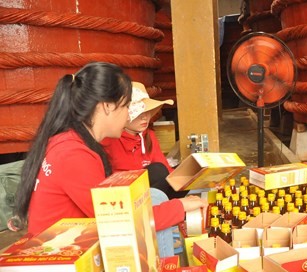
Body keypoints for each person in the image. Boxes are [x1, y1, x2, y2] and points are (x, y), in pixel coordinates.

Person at [12, 62, 206, 257]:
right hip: (61, 256)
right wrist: (179, 207)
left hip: (73, 241)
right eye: (127, 106)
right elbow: (118, 220)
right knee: (157, 200)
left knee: (158, 198)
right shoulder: (73, 154)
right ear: (107, 106)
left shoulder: (70, 141)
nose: (129, 114)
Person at [102, 82, 179, 197]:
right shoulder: (109, 140)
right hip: (124, 197)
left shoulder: (149, 135)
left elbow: (166, 170)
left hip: (151, 193)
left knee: (179, 182)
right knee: (158, 171)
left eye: (147, 111)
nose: (145, 117)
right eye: (138, 112)